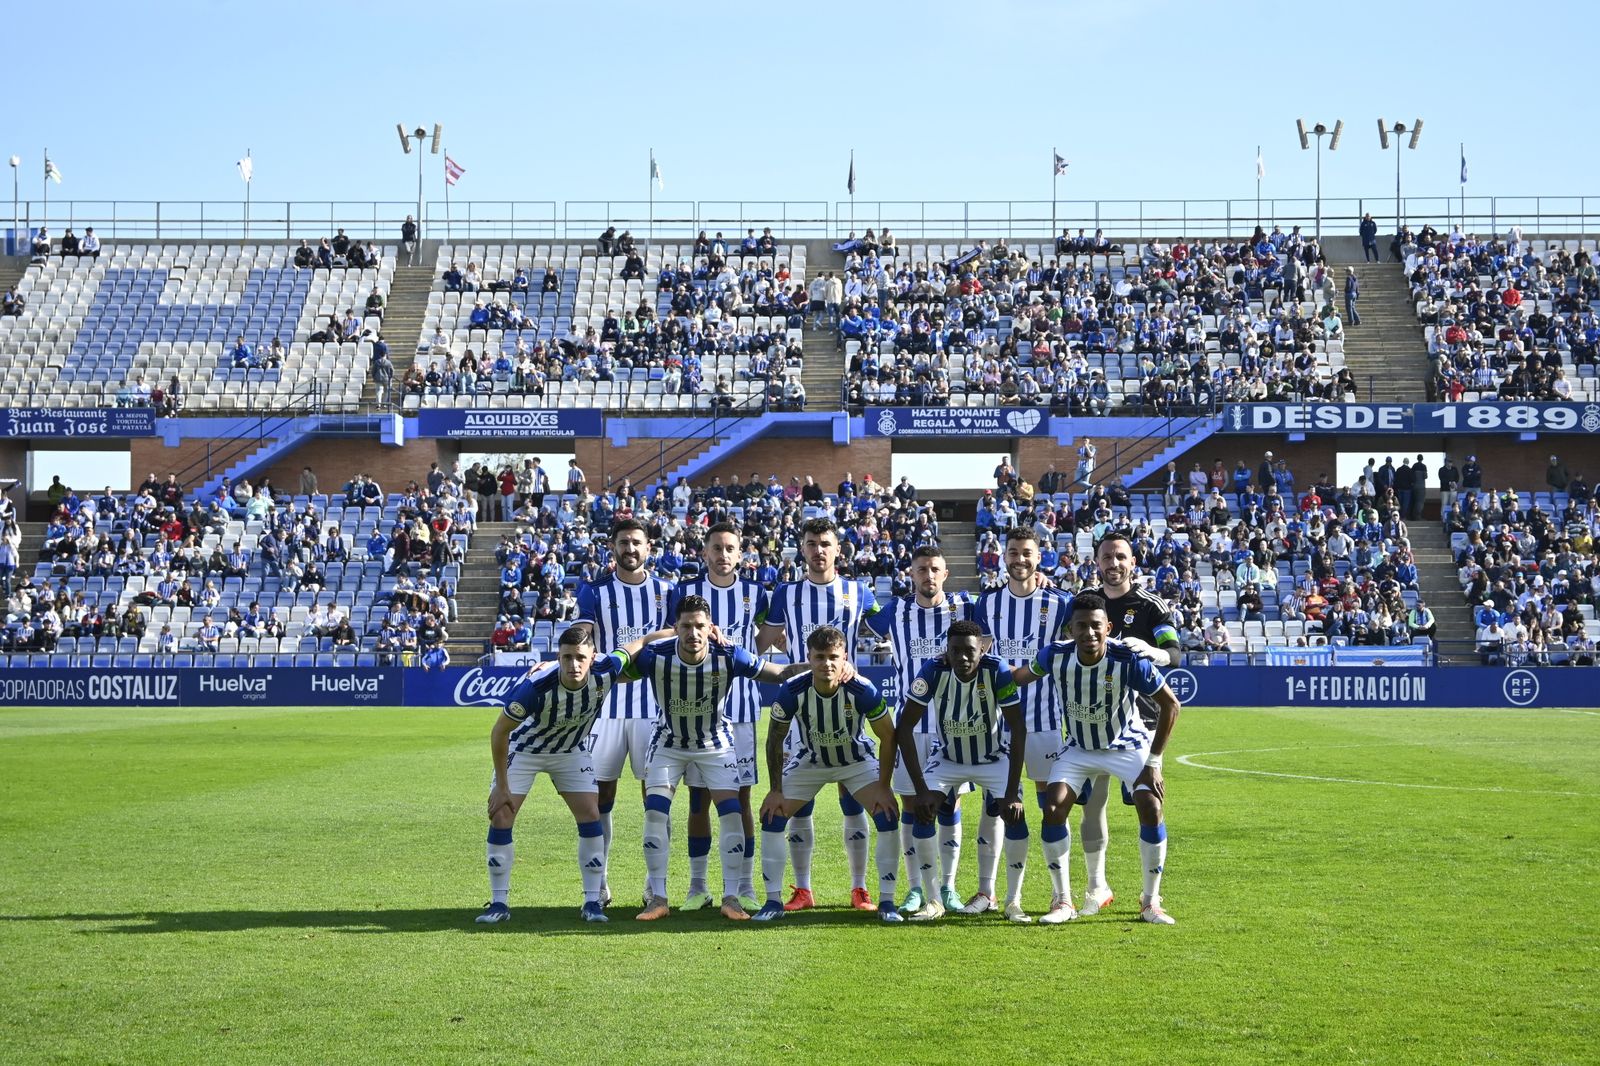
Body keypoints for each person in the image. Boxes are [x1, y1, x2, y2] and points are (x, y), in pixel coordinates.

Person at [612, 594, 804, 922]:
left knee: (731, 813)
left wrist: (821, 666)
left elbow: (780, 672)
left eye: (699, 626)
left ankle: (731, 897)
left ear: (710, 627)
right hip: (668, 742)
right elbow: (610, 674)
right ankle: (658, 898)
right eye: (686, 626)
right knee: (655, 812)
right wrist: (564, 667)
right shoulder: (656, 656)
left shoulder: (728, 654)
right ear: (675, 628)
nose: (693, 632)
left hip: (715, 744)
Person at [1012, 590, 1183, 925]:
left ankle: (1151, 901)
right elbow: (1019, 677)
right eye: (1081, 626)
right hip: (1079, 748)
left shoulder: (1128, 659)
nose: (1089, 632)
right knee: (1052, 808)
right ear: (1070, 630)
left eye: (1095, 625)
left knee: (1151, 805)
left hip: (1128, 745)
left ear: (1108, 627)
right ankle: (1063, 901)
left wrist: (1153, 763)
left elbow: (1171, 705)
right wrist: (978, 665)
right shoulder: (1054, 655)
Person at [757, 517, 883, 912]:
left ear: (838, 549)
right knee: (801, 801)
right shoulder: (786, 593)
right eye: (811, 544)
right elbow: (758, 641)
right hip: (801, 709)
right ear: (802, 549)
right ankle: (803, 889)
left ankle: (860, 888)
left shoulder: (860, 592)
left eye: (825, 544)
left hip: (848, 708)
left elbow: (891, 625)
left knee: (852, 799)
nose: (818, 550)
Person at [477, 627, 625, 925]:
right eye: (566, 657)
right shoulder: (535, 687)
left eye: (580, 657)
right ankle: (499, 903)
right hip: (525, 749)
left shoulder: (606, 668)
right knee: (502, 815)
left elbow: (640, 644)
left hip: (569, 750)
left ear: (593, 657)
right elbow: (499, 732)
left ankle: (592, 902)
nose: (574, 664)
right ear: (558, 657)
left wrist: (673, 631)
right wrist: (502, 786)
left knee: (591, 815)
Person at [1070, 531, 1184, 914]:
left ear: (1133, 562)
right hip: (1090, 721)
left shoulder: (1151, 605)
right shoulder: (1085, 602)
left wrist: (1154, 652)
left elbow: (1174, 652)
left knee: (1147, 803)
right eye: (1107, 557)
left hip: (1140, 724)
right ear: (1097, 562)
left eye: (1121, 556)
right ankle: (1096, 887)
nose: (1114, 563)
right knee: (1092, 806)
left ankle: (1151, 897)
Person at [756, 625, 902, 924]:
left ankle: (886, 901)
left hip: (856, 761)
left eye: (834, 657)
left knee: (887, 814)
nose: (827, 663)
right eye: (820, 657)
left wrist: (884, 787)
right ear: (809, 658)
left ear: (844, 657)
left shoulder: (862, 689)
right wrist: (775, 790)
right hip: (810, 761)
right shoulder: (792, 689)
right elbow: (774, 740)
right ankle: (773, 901)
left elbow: (888, 736)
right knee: (773, 815)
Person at [862, 546, 974, 916]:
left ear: (946, 574)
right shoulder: (894, 611)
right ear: (911, 574)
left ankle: (948, 887)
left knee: (950, 804)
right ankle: (914, 888)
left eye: (935, 569)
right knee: (910, 805)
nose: (929, 575)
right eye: (922, 569)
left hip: (952, 726)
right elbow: (856, 608)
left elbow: (1000, 609)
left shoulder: (965, 606)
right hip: (908, 728)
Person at [894, 620, 1030, 923]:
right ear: (947, 650)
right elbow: (904, 728)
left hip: (993, 758)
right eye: (955, 651)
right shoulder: (933, 670)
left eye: (970, 651)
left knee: (1015, 815)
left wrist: (1011, 793)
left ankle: (1013, 901)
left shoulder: (997, 670)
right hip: (948, 758)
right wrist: (921, 790)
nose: (963, 657)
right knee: (923, 811)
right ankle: (933, 901)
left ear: (982, 650)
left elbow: (1018, 728)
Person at [668, 522, 773, 911]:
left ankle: (744, 886)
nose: (723, 555)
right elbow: (673, 638)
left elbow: (762, 641)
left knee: (741, 799)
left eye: (730, 548)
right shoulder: (685, 592)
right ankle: (698, 887)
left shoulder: (756, 593)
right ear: (705, 552)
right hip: (698, 709)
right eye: (717, 548)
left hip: (741, 709)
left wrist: (737, 653)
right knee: (699, 799)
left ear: (740, 554)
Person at [967, 527, 1070, 916]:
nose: (1020, 559)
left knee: (1051, 806)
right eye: (1013, 552)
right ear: (1003, 557)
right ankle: (988, 893)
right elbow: (980, 653)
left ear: (1038, 557)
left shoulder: (1060, 603)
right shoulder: (987, 603)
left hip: (1044, 721)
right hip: (997, 723)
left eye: (1027, 552)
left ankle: (1061, 895)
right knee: (995, 804)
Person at [572, 518, 674, 907]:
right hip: (604, 709)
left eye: (636, 542)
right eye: (623, 542)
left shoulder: (667, 591)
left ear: (649, 547)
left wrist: (639, 647)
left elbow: (675, 637)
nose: (630, 549)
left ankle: (655, 885)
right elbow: (583, 642)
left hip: (655, 708)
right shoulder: (594, 591)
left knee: (657, 798)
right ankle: (598, 883)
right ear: (612, 547)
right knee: (599, 797)